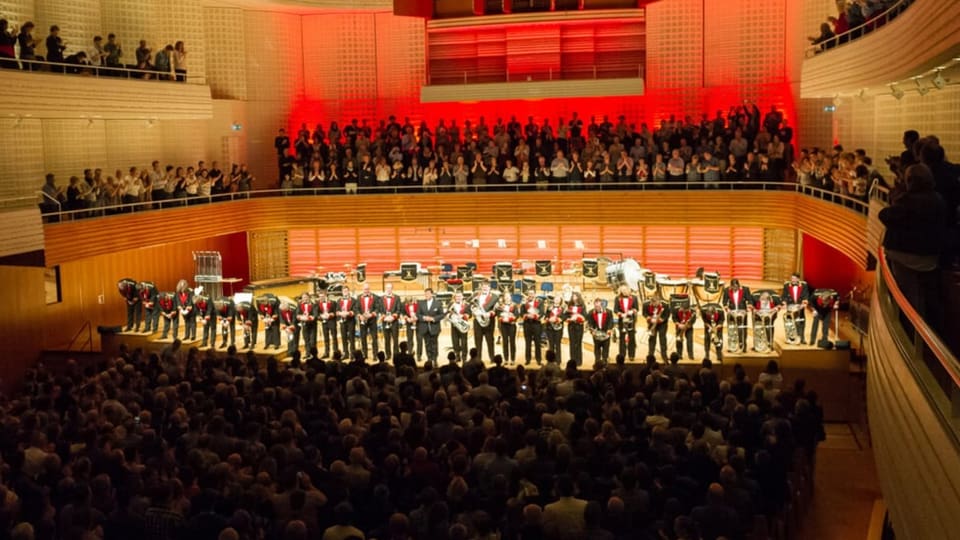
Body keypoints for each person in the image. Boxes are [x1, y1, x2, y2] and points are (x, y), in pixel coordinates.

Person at [879, 162, 946, 324]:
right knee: (928, 296)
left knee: (907, 297)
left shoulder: (908, 200)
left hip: (906, 256)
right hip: (930, 256)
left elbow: (885, 215)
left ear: (910, 180)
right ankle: (932, 328)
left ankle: (910, 329)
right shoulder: (938, 199)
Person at [722, 279, 752, 353]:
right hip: (732, 312)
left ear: (738, 285)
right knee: (731, 330)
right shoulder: (726, 290)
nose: (735, 288)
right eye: (733, 287)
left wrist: (748, 307)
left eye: (736, 286)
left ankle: (743, 346)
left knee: (742, 330)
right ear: (731, 286)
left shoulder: (745, 289)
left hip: (742, 313)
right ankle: (732, 346)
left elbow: (750, 300)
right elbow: (724, 301)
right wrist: (726, 308)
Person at [781, 272, 810, 345]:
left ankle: (802, 338)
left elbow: (806, 294)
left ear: (798, 279)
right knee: (789, 322)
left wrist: (805, 303)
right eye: (792, 278)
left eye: (794, 278)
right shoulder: (786, 285)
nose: (793, 280)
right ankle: (791, 338)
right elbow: (784, 295)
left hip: (800, 306)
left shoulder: (804, 285)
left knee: (800, 322)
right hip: (790, 305)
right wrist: (784, 303)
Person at [417, 288, 444, 365]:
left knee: (434, 344)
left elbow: (442, 315)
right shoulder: (421, 303)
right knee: (427, 344)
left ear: (432, 294)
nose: (426, 295)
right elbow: (418, 314)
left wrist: (433, 319)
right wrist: (424, 318)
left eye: (428, 293)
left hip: (434, 327)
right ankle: (429, 359)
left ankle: (435, 359)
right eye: (425, 294)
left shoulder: (438, 303)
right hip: (424, 327)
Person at [613, 285, 639, 361]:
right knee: (622, 338)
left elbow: (636, 308)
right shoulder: (617, 298)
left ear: (629, 290)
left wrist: (632, 311)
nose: (625, 292)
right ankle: (622, 355)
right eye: (623, 290)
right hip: (622, 320)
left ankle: (631, 355)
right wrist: (621, 314)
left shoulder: (634, 298)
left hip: (631, 320)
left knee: (632, 338)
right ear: (620, 291)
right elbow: (615, 310)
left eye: (626, 290)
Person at [473, 283, 498, 363]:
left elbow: (496, 310)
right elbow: (470, 306)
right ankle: (478, 359)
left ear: (489, 287)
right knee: (478, 340)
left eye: (486, 286)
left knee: (490, 340)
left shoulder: (494, 297)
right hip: (478, 321)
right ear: (481, 287)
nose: (484, 288)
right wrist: (474, 311)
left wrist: (490, 313)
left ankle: (492, 358)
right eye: (483, 286)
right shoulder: (476, 295)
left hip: (489, 321)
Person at [642, 292, 669, 362]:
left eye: (656, 305)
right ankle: (650, 355)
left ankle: (664, 355)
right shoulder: (646, 304)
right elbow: (644, 313)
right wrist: (648, 317)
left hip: (662, 324)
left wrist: (662, 319)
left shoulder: (665, 305)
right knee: (652, 339)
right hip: (652, 323)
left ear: (659, 301)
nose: (654, 306)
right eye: (653, 305)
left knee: (662, 339)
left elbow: (667, 315)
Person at [357, 283, 380, 360]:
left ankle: (375, 355)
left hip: (372, 320)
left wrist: (371, 314)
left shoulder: (375, 297)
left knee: (374, 338)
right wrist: (360, 315)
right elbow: (356, 308)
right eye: (365, 289)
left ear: (369, 289)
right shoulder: (358, 297)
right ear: (362, 289)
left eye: (367, 289)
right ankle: (364, 354)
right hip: (363, 320)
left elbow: (377, 308)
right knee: (363, 338)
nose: (366, 291)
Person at [379, 283, 402, 358]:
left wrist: (393, 317)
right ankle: (388, 355)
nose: (388, 289)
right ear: (386, 289)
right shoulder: (381, 298)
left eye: (390, 288)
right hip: (385, 321)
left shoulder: (397, 297)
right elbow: (380, 309)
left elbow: (399, 310)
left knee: (395, 339)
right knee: (387, 339)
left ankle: (396, 355)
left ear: (392, 289)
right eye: (387, 288)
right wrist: (384, 317)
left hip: (394, 322)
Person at [588, 298, 613, 366]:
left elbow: (611, 322)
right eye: (596, 306)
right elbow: (590, 323)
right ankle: (597, 362)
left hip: (606, 333)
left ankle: (605, 363)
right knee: (597, 349)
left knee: (606, 349)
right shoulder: (591, 312)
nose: (597, 308)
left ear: (602, 305)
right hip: (596, 334)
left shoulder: (609, 312)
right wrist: (592, 331)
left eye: (599, 306)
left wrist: (609, 329)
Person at [447, 291, 471, 364]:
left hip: (463, 326)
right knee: (455, 342)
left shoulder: (466, 305)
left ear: (462, 297)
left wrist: (464, 316)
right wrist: (451, 316)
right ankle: (457, 356)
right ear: (455, 297)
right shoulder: (451, 304)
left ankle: (464, 358)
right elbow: (448, 314)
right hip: (454, 326)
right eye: (457, 296)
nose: (458, 298)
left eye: (459, 296)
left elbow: (470, 314)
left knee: (464, 343)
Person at [522, 291, 544, 365]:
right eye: (529, 294)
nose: (531, 295)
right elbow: (521, 313)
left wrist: (535, 316)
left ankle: (538, 359)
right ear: (527, 295)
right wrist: (526, 315)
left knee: (537, 343)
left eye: (532, 294)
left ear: (535, 294)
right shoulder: (524, 303)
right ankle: (528, 359)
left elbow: (542, 312)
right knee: (527, 343)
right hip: (527, 324)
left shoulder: (540, 302)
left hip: (536, 324)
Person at [497, 294, 520, 365]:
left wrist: (512, 318)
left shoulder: (514, 305)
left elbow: (517, 315)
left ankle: (512, 359)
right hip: (503, 326)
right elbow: (498, 314)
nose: (507, 298)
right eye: (506, 297)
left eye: (508, 297)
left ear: (510, 298)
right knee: (505, 342)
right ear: (504, 298)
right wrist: (501, 318)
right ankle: (506, 359)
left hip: (511, 325)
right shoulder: (501, 306)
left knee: (512, 343)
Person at [565, 291, 587, 366]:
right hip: (571, 326)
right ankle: (572, 360)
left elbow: (585, 316)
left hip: (579, 326)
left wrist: (579, 317)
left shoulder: (582, 306)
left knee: (578, 343)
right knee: (572, 343)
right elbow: (565, 316)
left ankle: (579, 361)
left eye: (575, 296)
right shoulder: (569, 305)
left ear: (578, 297)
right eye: (573, 296)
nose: (574, 298)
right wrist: (569, 319)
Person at [337, 286, 358, 357]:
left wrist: (348, 313)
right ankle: (345, 353)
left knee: (352, 338)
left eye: (346, 290)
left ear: (348, 291)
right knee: (344, 338)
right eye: (344, 291)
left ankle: (353, 354)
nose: (345, 292)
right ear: (342, 292)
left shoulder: (354, 300)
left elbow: (355, 310)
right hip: (342, 321)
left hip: (351, 321)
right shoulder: (339, 300)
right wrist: (340, 314)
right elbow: (337, 310)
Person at [316, 290, 337, 357]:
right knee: (326, 338)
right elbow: (317, 313)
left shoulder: (333, 302)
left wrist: (332, 314)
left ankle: (335, 352)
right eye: (320, 297)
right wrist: (320, 317)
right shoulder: (318, 303)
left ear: (326, 296)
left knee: (334, 337)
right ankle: (326, 353)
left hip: (332, 321)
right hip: (324, 322)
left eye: (322, 296)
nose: (321, 298)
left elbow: (336, 312)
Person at [544, 297, 565, 365]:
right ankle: (551, 360)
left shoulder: (563, 309)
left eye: (558, 299)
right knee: (551, 345)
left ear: (560, 301)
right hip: (550, 328)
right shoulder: (549, 308)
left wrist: (558, 319)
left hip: (558, 328)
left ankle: (558, 360)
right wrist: (548, 319)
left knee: (558, 345)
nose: (556, 300)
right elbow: (546, 316)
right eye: (556, 298)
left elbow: (564, 317)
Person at [297, 292, 317, 358]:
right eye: (303, 297)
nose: (304, 299)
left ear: (308, 297)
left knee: (312, 341)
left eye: (306, 297)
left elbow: (315, 315)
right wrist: (300, 317)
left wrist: (309, 317)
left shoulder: (313, 304)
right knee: (306, 340)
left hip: (312, 325)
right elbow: (298, 314)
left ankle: (313, 355)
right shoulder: (299, 304)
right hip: (304, 325)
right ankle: (307, 353)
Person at [403, 295, 422, 362]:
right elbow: (403, 313)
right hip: (409, 323)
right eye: (407, 302)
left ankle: (419, 355)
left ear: (412, 300)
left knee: (419, 340)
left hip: (418, 323)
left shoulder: (418, 304)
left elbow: (421, 312)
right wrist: (407, 318)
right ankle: (410, 353)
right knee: (409, 339)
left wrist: (416, 318)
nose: (409, 303)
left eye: (410, 302)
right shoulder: (404, 305)